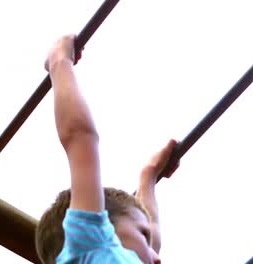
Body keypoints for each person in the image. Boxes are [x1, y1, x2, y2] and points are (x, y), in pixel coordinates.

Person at [35, 34, 178, 264]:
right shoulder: (92, 245)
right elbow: (80, 138)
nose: (156, 258)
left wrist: (149, 177)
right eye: (143, 235)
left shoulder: (96, 247)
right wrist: (58, 61)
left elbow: (153, 237)